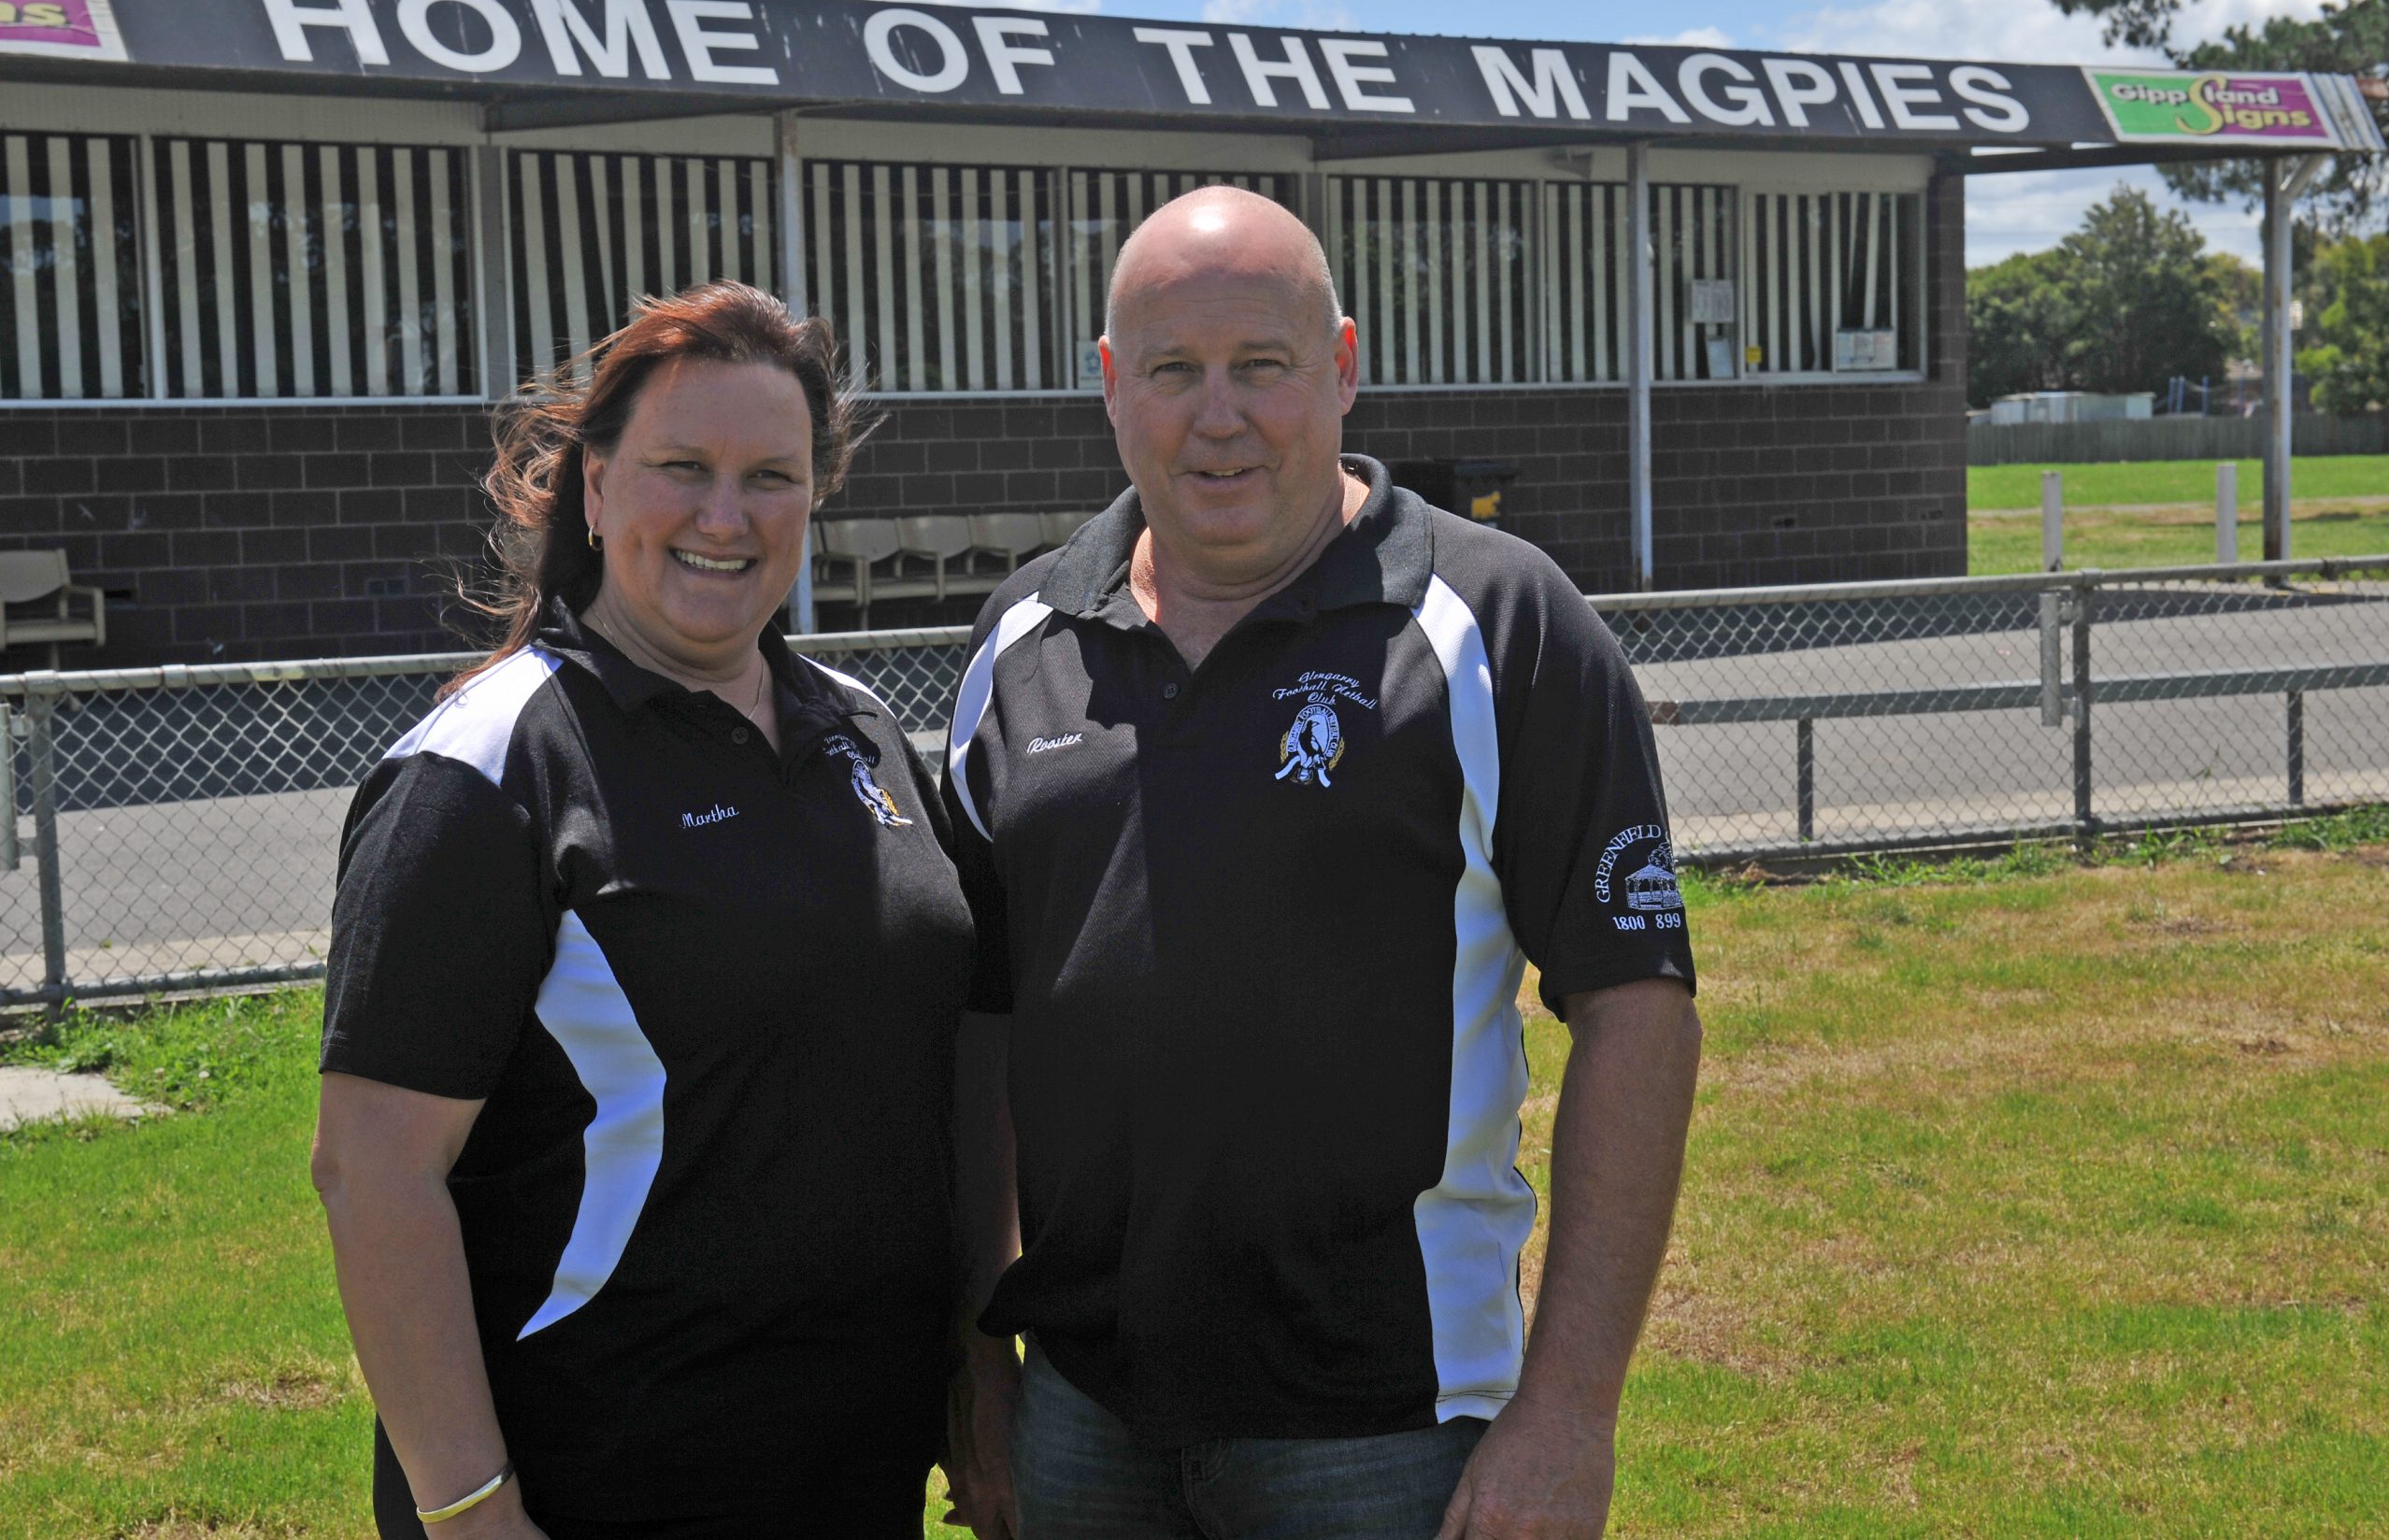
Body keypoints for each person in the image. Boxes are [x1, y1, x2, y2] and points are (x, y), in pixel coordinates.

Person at [940, 188, 1702, 1540]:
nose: (1218, 416)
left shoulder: (1499, 622)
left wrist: (1571, 1409)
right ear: (1110, 385)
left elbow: (1637, 1007)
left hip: (1389, 1424)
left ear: (1342, 367)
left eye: (1263, 365)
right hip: (1081, 1414)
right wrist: (974, 1355)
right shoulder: (1024, 639)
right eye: (1173, 371)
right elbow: (978, 1024)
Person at [312, 281, 974, 1538]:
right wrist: (471, 1512)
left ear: (815, 499)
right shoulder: (489, 768)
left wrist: (972, 1372)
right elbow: (375, 1171)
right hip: (599, 1486)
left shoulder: (866, 735)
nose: (727, 516)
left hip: (853, 1475)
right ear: (598, 488)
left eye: (771, 477)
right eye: (684, 468)